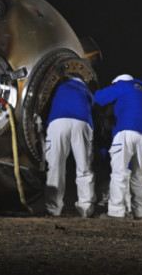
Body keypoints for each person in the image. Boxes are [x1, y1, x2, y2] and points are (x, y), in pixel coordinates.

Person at [94, 74, 142, 220]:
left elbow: (99, 98)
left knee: (119, 172)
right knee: (139, 174)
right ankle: (139, 212)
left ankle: (116, 212)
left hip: (128, 129)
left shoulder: (123, 85)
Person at [44, 76, 96, 218]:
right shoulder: (86, 90)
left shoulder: (59, 86)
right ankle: (86, 207)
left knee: (55, 166)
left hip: (58, 120)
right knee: (84, 167)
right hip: (82, 121)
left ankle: (53, 209)